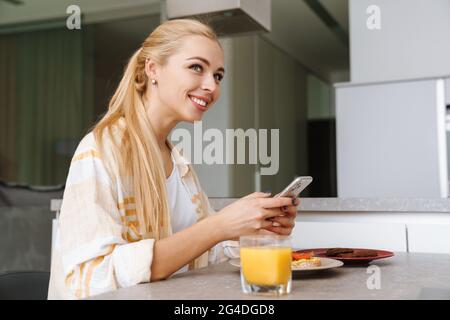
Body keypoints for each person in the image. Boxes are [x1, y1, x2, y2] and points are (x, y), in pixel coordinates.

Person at [47, 19, 299, 299]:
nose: (211, 86)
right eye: (196, 67)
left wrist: (255, 230)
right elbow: (90, 278)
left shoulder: (179, 162)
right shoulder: (101, 149)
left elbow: (200, 255)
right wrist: (218, 226)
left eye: (218, 76)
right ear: (153, 68)